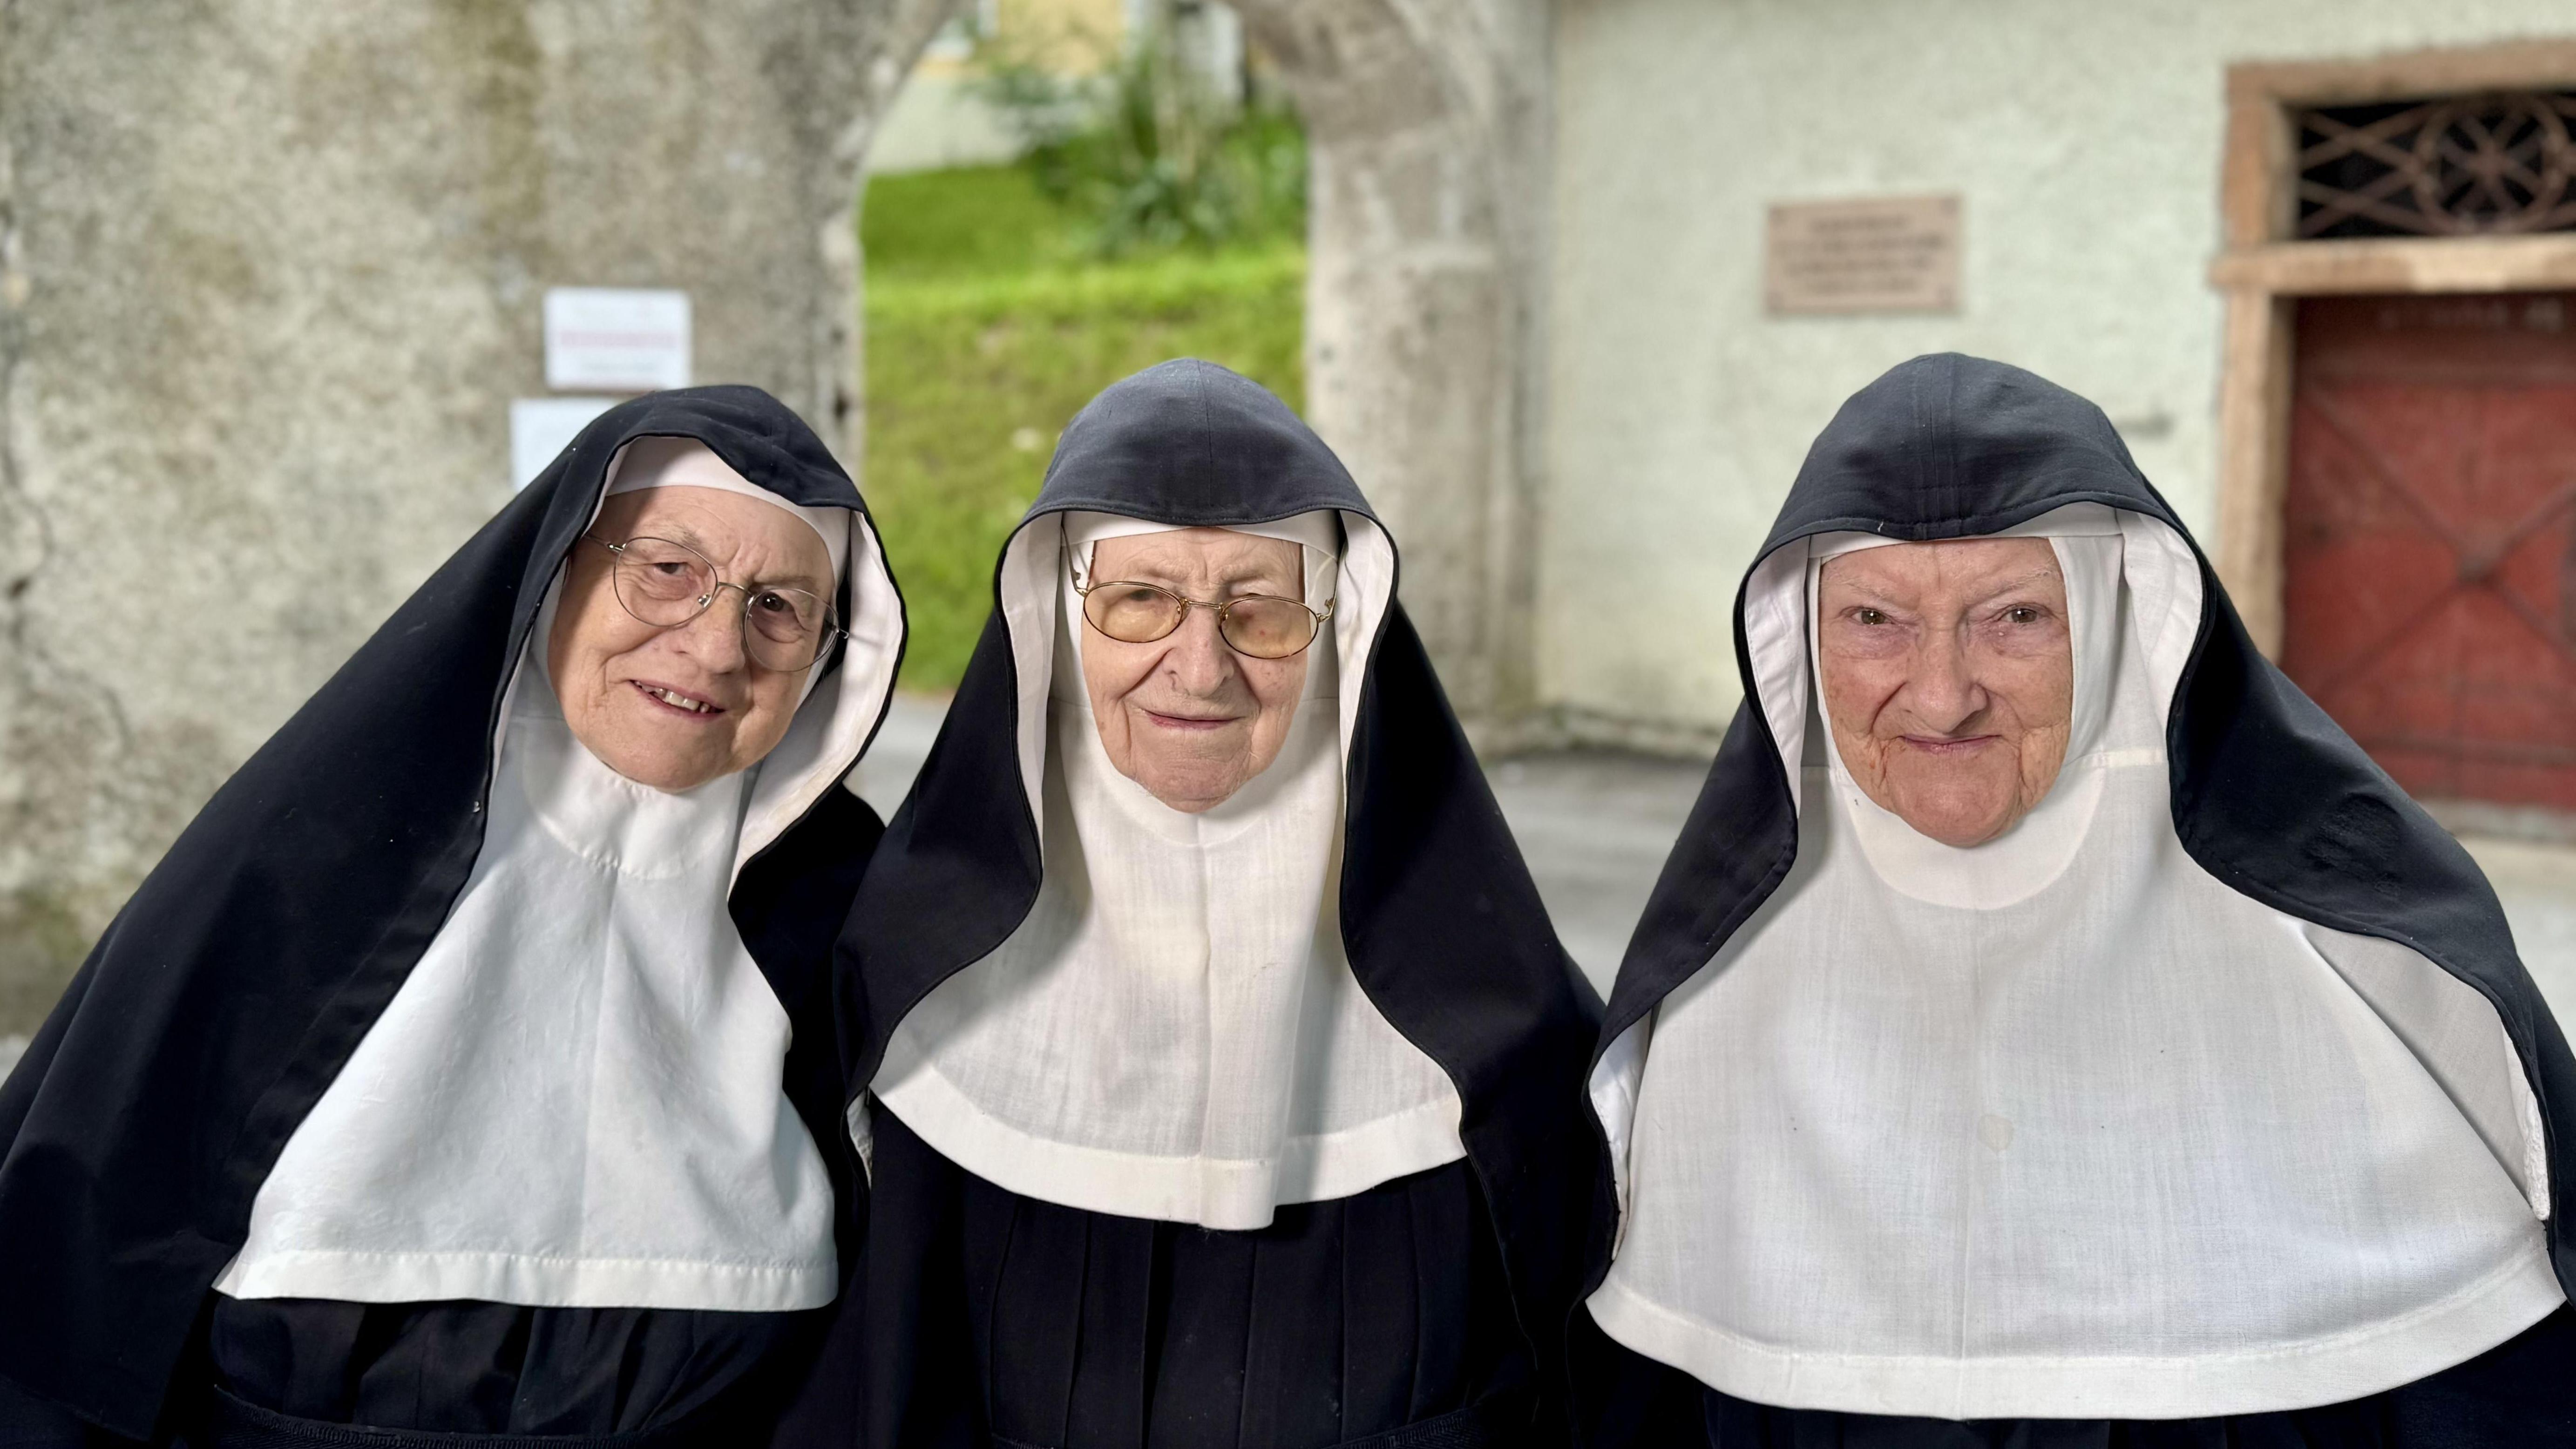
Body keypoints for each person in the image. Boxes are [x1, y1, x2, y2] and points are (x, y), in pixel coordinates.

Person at [1578, 353, 2576, 1445]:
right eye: (1874, 620)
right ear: (1801, 639)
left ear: (2114, 614)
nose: (1945, 694)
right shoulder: (1705, 1005)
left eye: (2014, 615)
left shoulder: (2362, 969)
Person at [0, 387, 907, 1447]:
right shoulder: (334, 838)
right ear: (561, 561)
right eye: (668, 570)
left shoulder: (844, 899)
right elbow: (89, 1233)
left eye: (779, 608)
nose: (715, 648)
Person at [774, 359, 1603, 1449]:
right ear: (1058, 626)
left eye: (1261, 609)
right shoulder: (905, 1008)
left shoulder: (1508, 1034)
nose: (1200, 670)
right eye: (1139, 600)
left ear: (1342, 637)